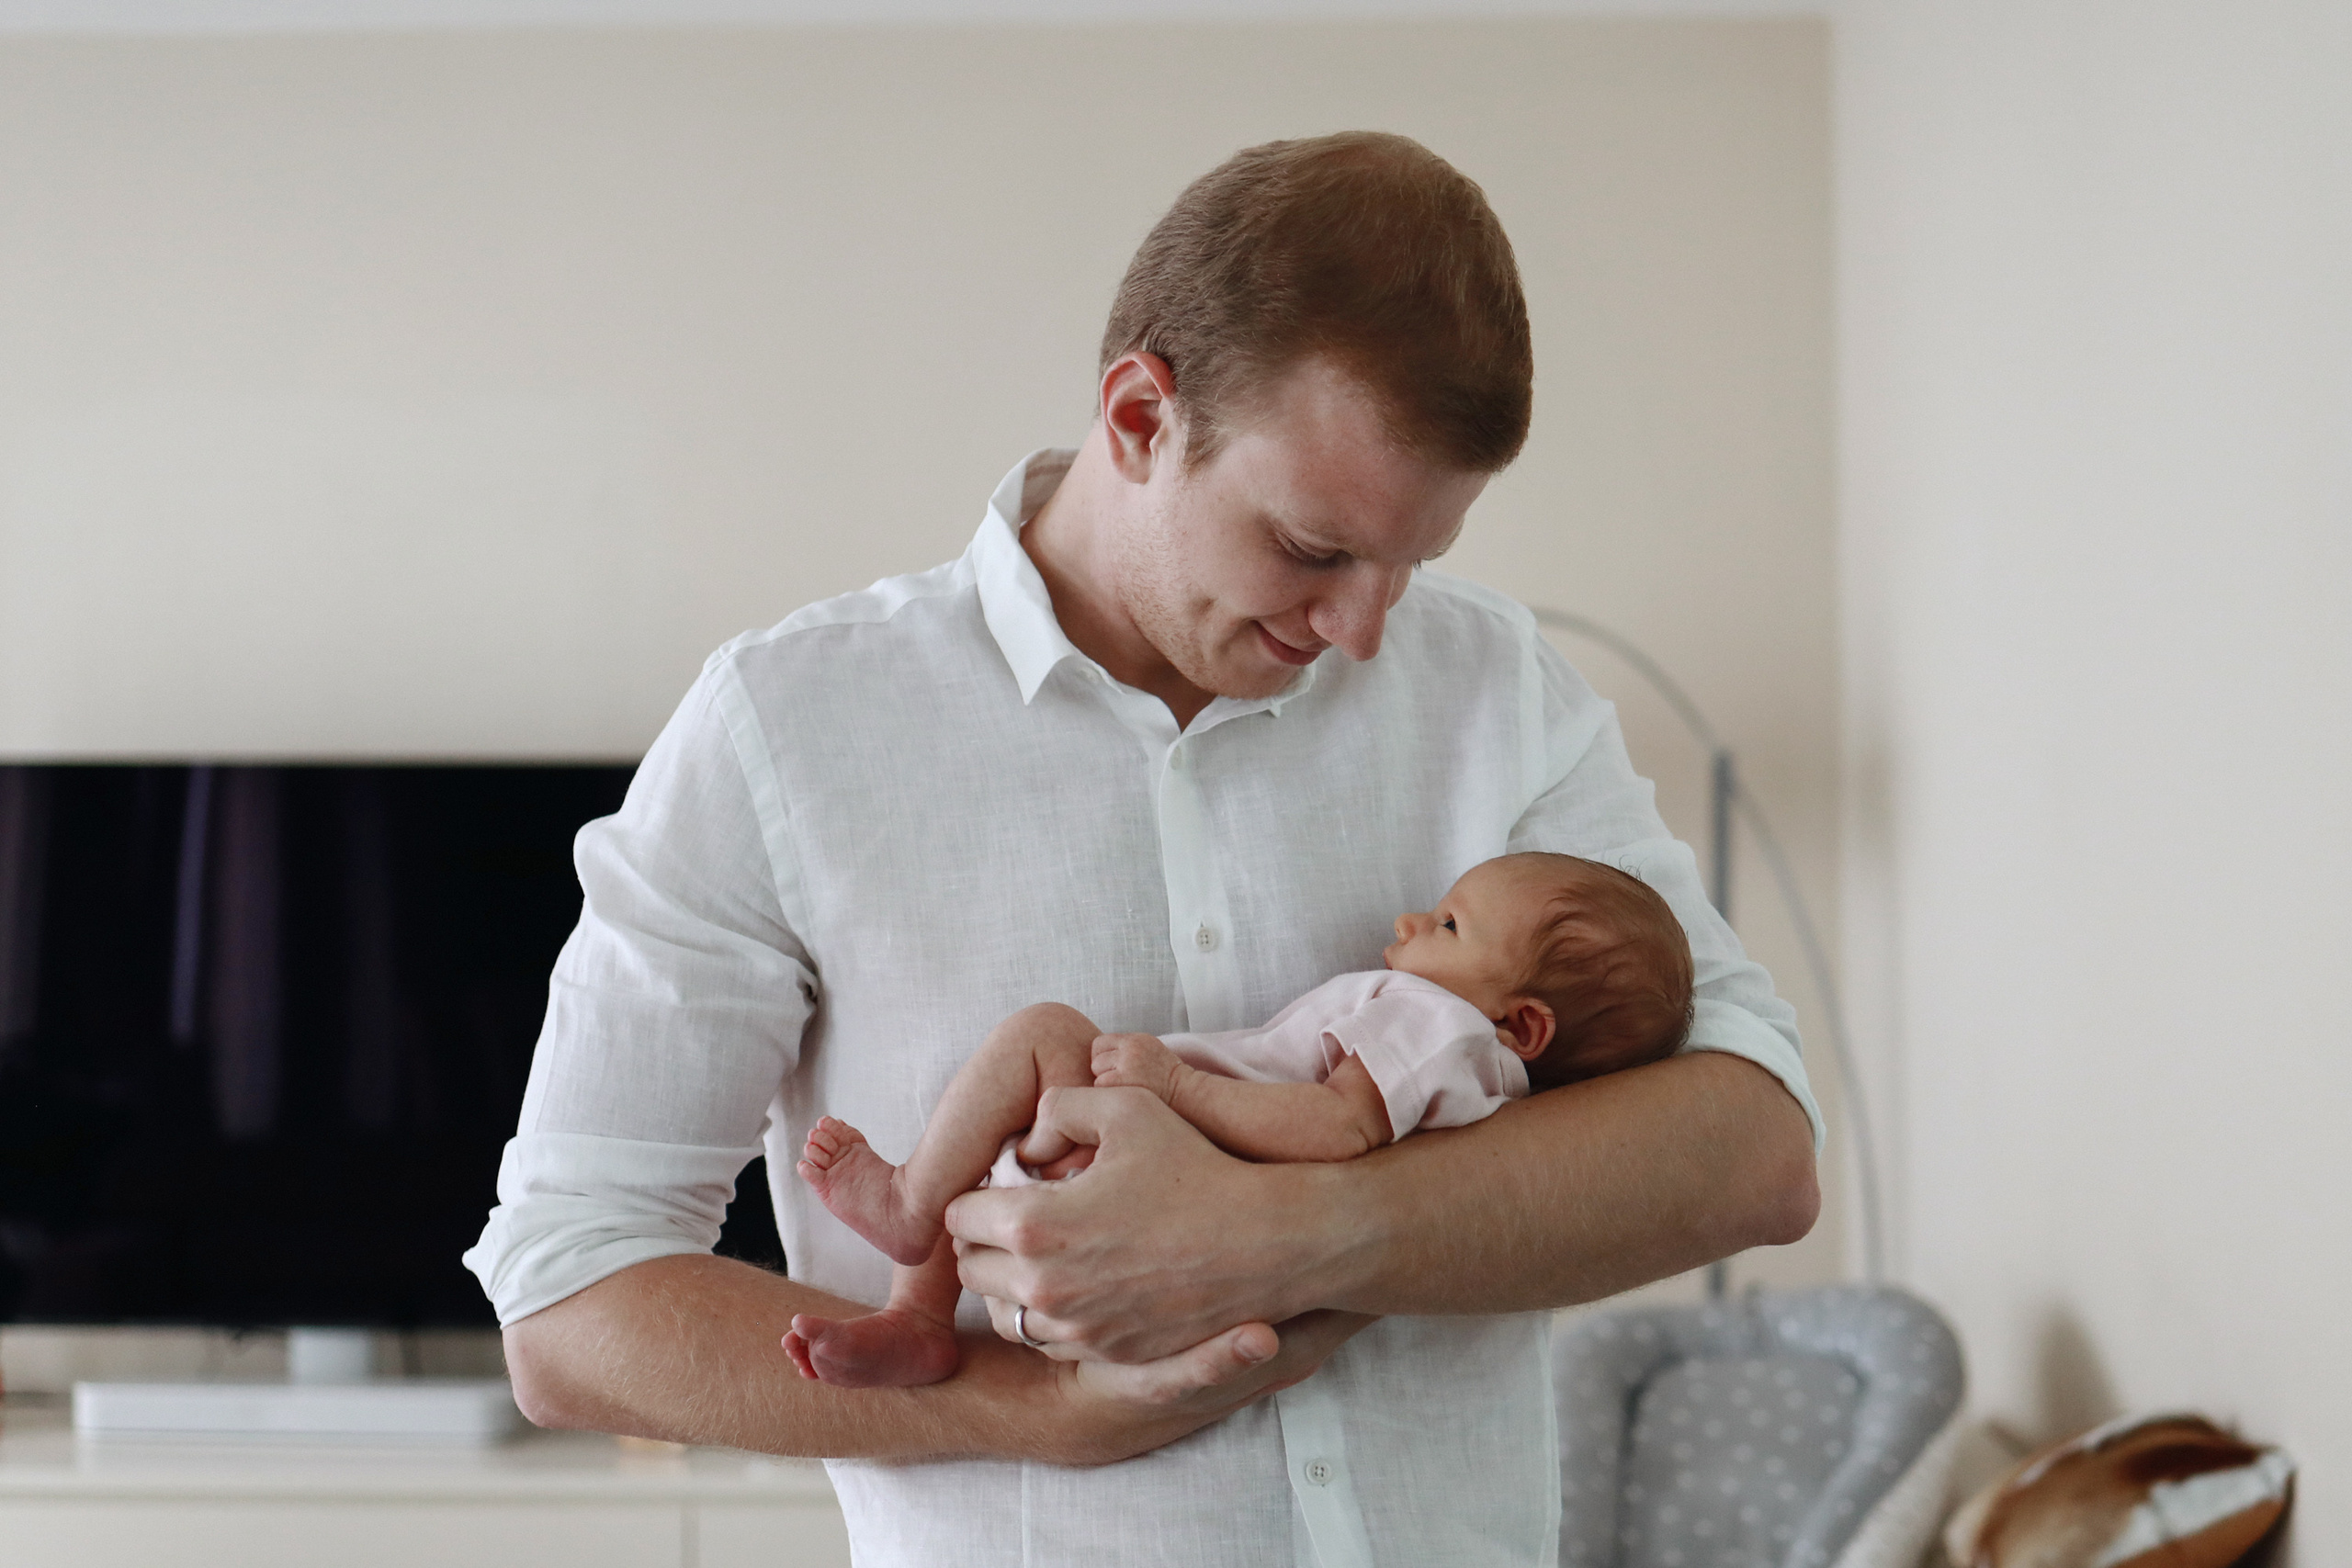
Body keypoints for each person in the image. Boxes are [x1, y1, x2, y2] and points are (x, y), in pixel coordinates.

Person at [465, 130, 1823, 1566]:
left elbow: (1754, 1149)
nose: (1364, 629)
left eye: (1411, 562)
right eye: (1313, 548)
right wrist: (1026, 1408)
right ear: (1135, 415)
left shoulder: (1497, 687)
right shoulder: (787, 725)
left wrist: (1292, 1231)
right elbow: (569, 1302)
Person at [785, 851, 1696, 1389]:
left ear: (1524, 1022)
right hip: (1165, 1183)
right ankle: (923, 1319)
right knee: (1020, 1109)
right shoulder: (1473, 1061)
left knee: (1043, 1035)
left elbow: (1336, 1128)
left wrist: (1176, 1086)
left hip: (1170, 1139)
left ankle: (912, 1213)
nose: (1415, 919)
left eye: (1451, 927)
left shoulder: (1442, 1028)